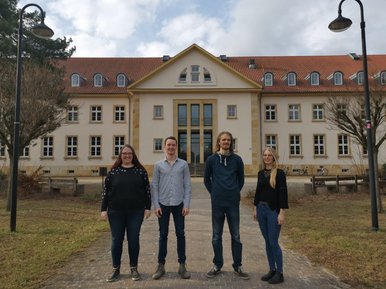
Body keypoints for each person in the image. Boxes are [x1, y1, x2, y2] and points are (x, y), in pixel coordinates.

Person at [100, 144, 151, 282]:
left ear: (133, 155)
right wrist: (103, 209)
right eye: (124, 154)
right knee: (117, 240)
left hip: (136, 211)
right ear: (120, 156)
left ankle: (134, 268)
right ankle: (115, 269)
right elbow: (105, 192)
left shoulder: (140, 171)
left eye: (129, 154)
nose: (127, 156)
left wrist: (148, 207)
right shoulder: (113, 172)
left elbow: (147, 191)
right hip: (116, 212)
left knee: (133, 239)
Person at [204, 131, 249, 280]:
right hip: (217, 203)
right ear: (219, 142)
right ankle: (217, 264)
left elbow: (241, 179)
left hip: (232, 203)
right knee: (216, 236)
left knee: (235, 235)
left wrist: (235, 192)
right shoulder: (211, 159)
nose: (226, 142)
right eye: (223, 140)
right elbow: (206, 180)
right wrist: (214, 193)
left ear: (231, 142)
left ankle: (238, 265)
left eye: (228, 140)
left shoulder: (237, 160)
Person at [151, 136, 192, 280]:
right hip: (163, 205)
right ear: (164, 147)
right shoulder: (158, 165)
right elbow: (154, 186)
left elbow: (187, 185)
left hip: (179, 205)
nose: (171, 147)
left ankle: (182, 266)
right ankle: (161, 266)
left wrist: (186, 205)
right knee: (163, 235)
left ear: (176, 147)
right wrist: (156, 205)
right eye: (168, 145)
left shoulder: (183, 165)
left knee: (180, 234)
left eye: (173, 145)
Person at [253, 147, 288, 284]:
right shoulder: (260, 173)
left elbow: (283, 194)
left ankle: (280, 273)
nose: (267, 157)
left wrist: (282, 213)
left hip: (273, 211)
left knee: (273, 242)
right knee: (267, 241)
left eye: (269, 155)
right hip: (261, 210)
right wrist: (255, 208)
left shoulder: (279, 174)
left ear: (274, 157)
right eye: (265, 155)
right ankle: (272, 269)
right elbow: (257, 192)